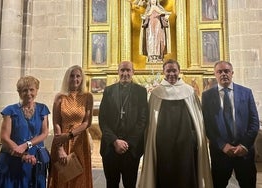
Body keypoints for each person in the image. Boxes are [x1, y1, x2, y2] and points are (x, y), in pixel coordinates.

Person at [138, 59, 213, 188]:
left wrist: (195, 138)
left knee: (187, 172)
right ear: (163, 72)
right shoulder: (156, 93)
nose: (171, 74)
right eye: (168, 71)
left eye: (174, 70)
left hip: (187, 143)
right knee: (164, 173)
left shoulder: (189, 91)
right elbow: (151, 122)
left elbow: (197, 119)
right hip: (162, 144)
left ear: (179, 71)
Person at [201, 61, 260, 188]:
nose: (223, 74)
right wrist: (222, 145)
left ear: (232, 73)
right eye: (219, 72)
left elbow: (254, 122)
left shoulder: (246, 92)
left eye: (226, 71)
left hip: (244, 153)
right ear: (215, 74)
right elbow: (207, 125)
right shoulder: (207, 96)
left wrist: (244, 145)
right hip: (220, 154)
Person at [98, 61, 148, 188]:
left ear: (133, 72)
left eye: (128, 70)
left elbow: (142, 120)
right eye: (122, 70)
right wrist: (115, 141)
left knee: (130, 184)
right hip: (110, 147)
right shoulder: (108, 91)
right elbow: (103, 119)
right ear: (118, 72)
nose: (125, 73)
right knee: (111, 184)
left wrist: (127, 143)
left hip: (131, 149)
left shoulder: (141, 92)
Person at [0, 76, 50, 188]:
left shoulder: (42, 109)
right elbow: (4, 137)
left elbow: (44, 133)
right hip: (12, 157)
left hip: (34, 158)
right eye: (25, 90)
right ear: (19, 92)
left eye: (31, 89)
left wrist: (26, 145)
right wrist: (22, 154)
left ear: (36, 90)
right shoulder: (10, 110)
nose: (28, 93)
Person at [47, 65, 94, 188]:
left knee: (79, 175)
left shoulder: (88, 96)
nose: (75, 79)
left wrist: (70, 135)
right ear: (67, 78)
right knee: (62, 175)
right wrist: (60, 148)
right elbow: (56, 122)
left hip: (80, 140)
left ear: (82, 78)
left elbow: (87, 123)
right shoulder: (60, 97)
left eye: (78, 76)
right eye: (72, 76)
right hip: (61, 139)